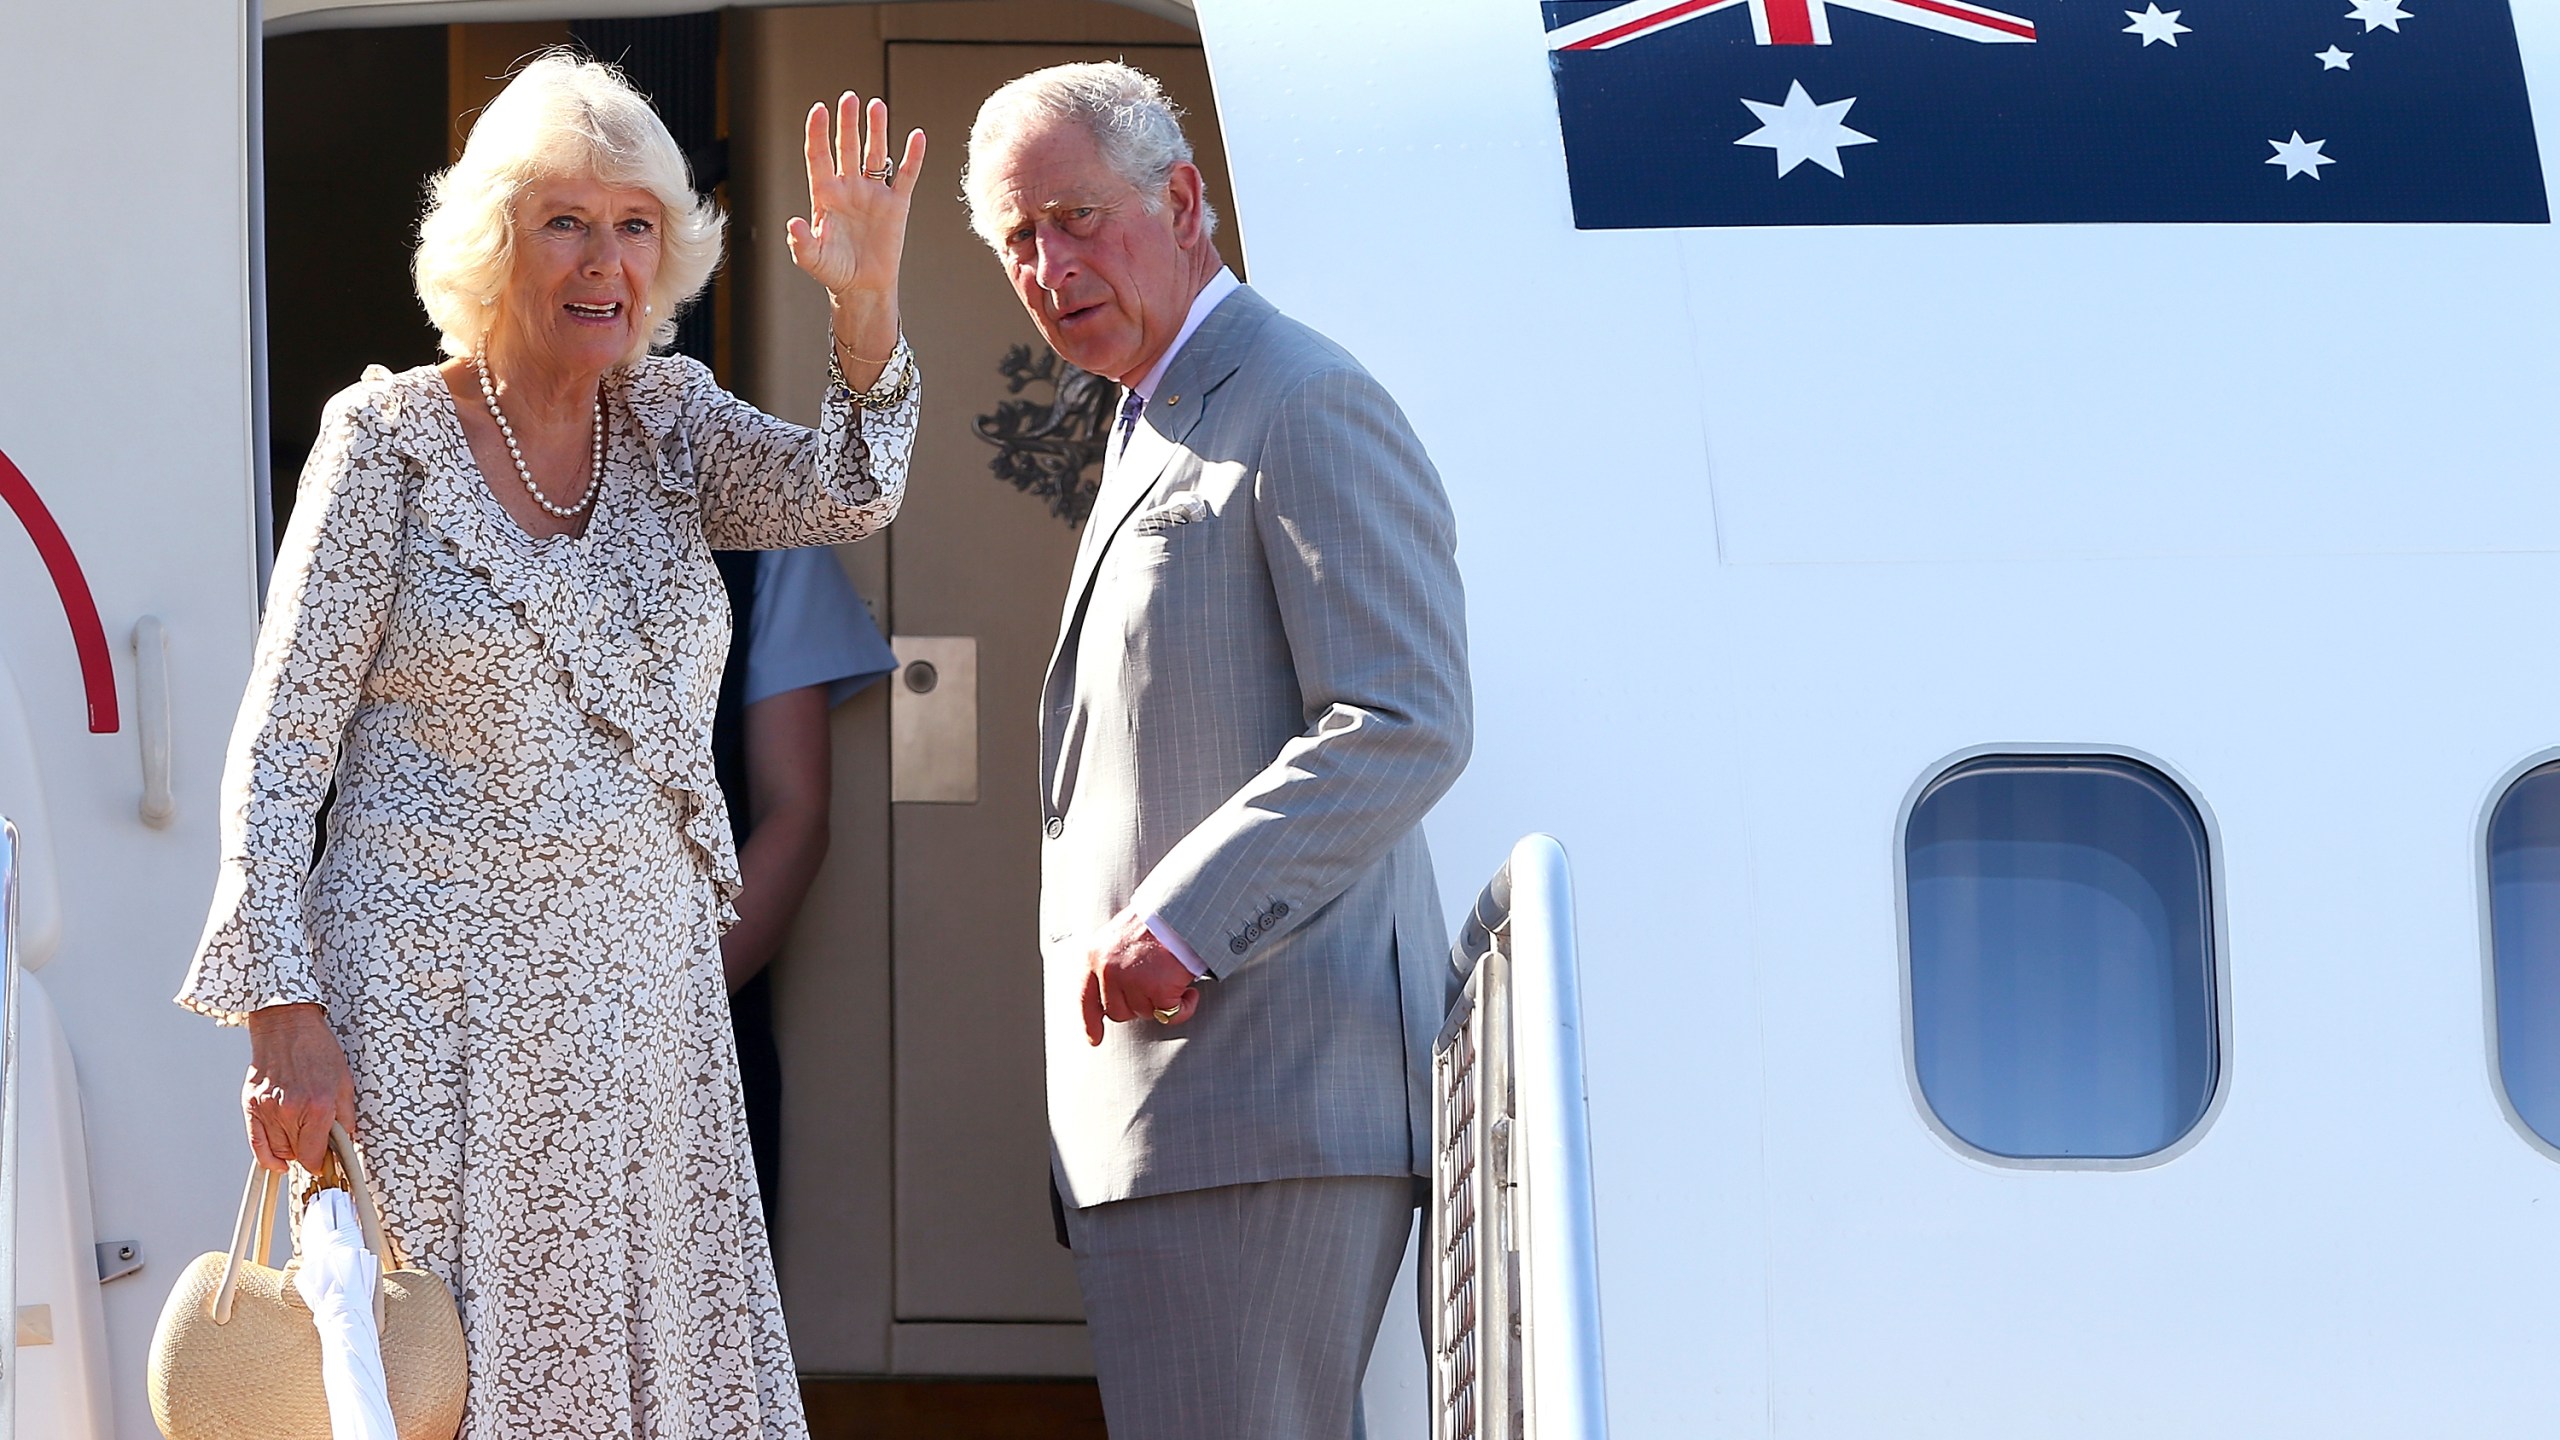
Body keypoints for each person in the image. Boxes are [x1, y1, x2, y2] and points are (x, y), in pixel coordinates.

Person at [175, 52, 925, 1440]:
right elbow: (280, 751)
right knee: (441, 1388)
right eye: (564, 221)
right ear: (493, 242)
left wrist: (866, 302)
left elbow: (850, 487)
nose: (605, 262)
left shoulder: (675, 426)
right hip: (429, 1023)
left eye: (635, 225)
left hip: (644, 1020)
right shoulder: (384, 445)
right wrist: (282, 1016)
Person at [964, 62, 1474, 1439]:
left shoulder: (1298, 398)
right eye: (1018, 238)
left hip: (1263, 1095)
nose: (1048, 264)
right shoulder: (1158, 408)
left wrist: (1183, 923)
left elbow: (1406, 713)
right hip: (1188, 1115)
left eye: (1078, 217)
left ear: (1183, 200)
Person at [711, 543, 898, 1230]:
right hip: (437, 1020)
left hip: (681, 1043)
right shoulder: (387, 481)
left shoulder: (756, 507)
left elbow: (795, 815)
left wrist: (657, 1016)